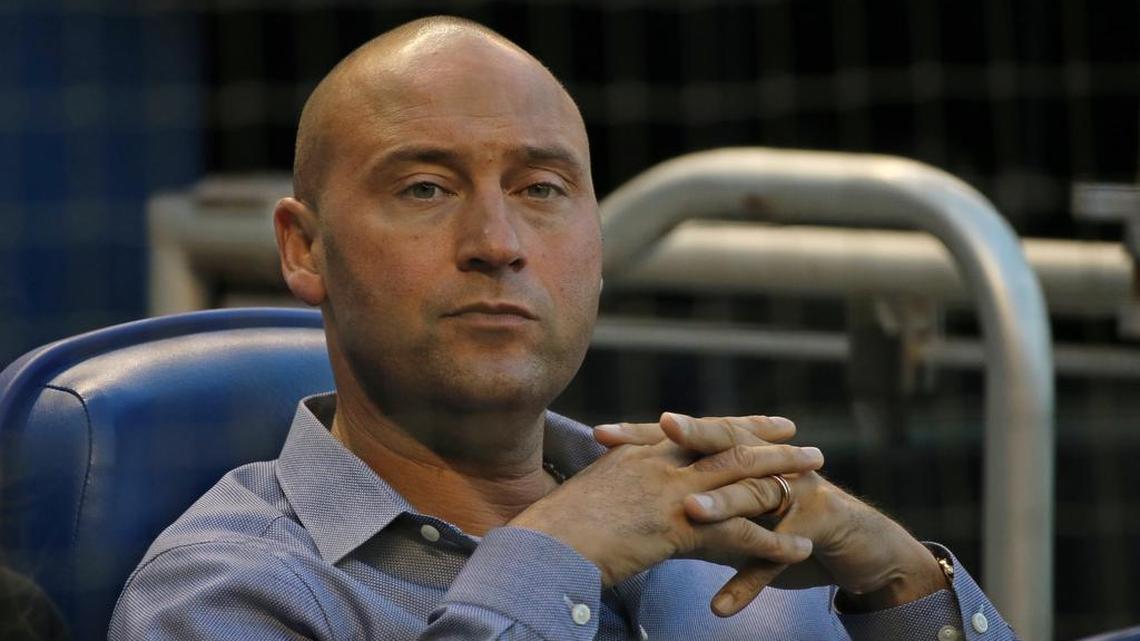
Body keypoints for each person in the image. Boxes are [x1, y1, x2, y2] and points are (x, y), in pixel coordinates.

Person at [110, 16, 1018, 640]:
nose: (497, 242)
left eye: (541, 189)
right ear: (304, 248)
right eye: (425, 187)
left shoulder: (725, 533)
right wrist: (553, 559)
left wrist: (898, 580)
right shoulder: (224, 589)